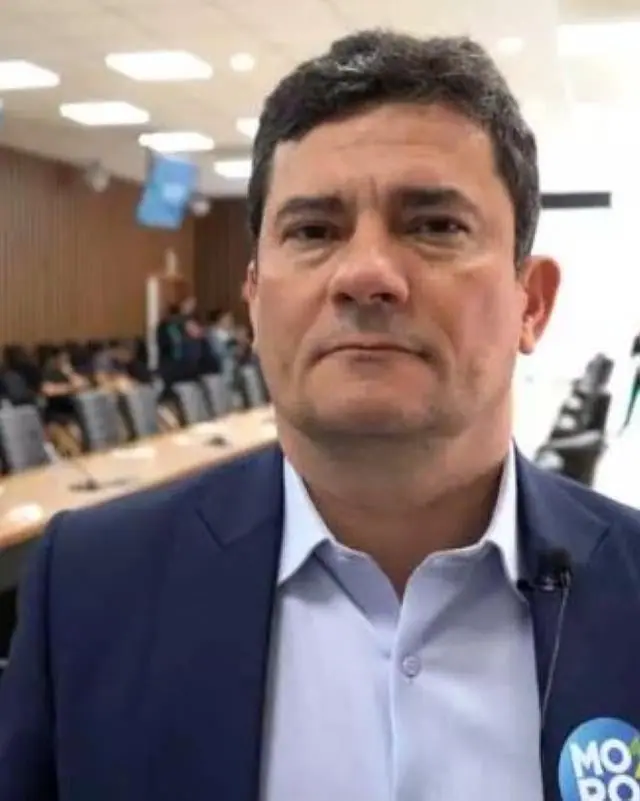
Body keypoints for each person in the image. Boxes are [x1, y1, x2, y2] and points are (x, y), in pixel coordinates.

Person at [3, 30, 640, 801]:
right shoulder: (87, 588)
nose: (365, 273)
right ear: (254, 302)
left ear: (531, 302)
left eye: (434, 225)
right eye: (313, 231)